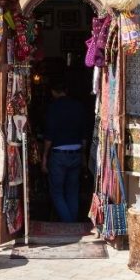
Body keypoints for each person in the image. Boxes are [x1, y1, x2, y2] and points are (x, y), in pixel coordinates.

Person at [41, 80, 88, 223]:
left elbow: (49, 135)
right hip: (76, 152)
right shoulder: (78, 107)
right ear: (66, 90)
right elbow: (84, 135)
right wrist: (84, 155)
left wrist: (44, 157)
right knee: (72, 191)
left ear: (53, 92)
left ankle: (69, 222)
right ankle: (72, 222)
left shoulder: (53, 108)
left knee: (57, 191)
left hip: (59, 155)